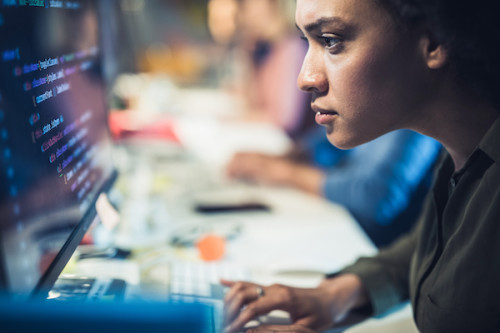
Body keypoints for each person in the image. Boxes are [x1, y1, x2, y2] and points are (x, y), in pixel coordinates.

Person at [222, 0, 500, 332]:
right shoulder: (458, 153)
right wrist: (337, 294)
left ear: (436, 40)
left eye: (330, 40)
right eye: (306, 43)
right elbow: (426, 247)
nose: (305, 78)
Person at [227, 127, 441, 248]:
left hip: (374, 245)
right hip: (346, 228)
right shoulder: (378, 99)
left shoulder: (418, 120)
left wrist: (286, 173)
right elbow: (329, 145)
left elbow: (377, 198)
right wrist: (277, 160)